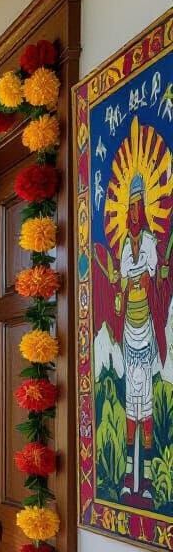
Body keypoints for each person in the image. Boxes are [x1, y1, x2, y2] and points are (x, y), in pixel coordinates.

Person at [117, 173, 160, 498]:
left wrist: (142, 282)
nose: (134, 213)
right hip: (127, 330)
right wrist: (123, 290)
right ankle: (129, 477)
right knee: (130, 406)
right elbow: (121, 283)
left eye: (138, 206)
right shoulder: (123, 246)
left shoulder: (149, 242)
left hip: (145, 326)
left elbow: (152, 280)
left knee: (144, 406)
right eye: (130, 207)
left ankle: (144, 481)